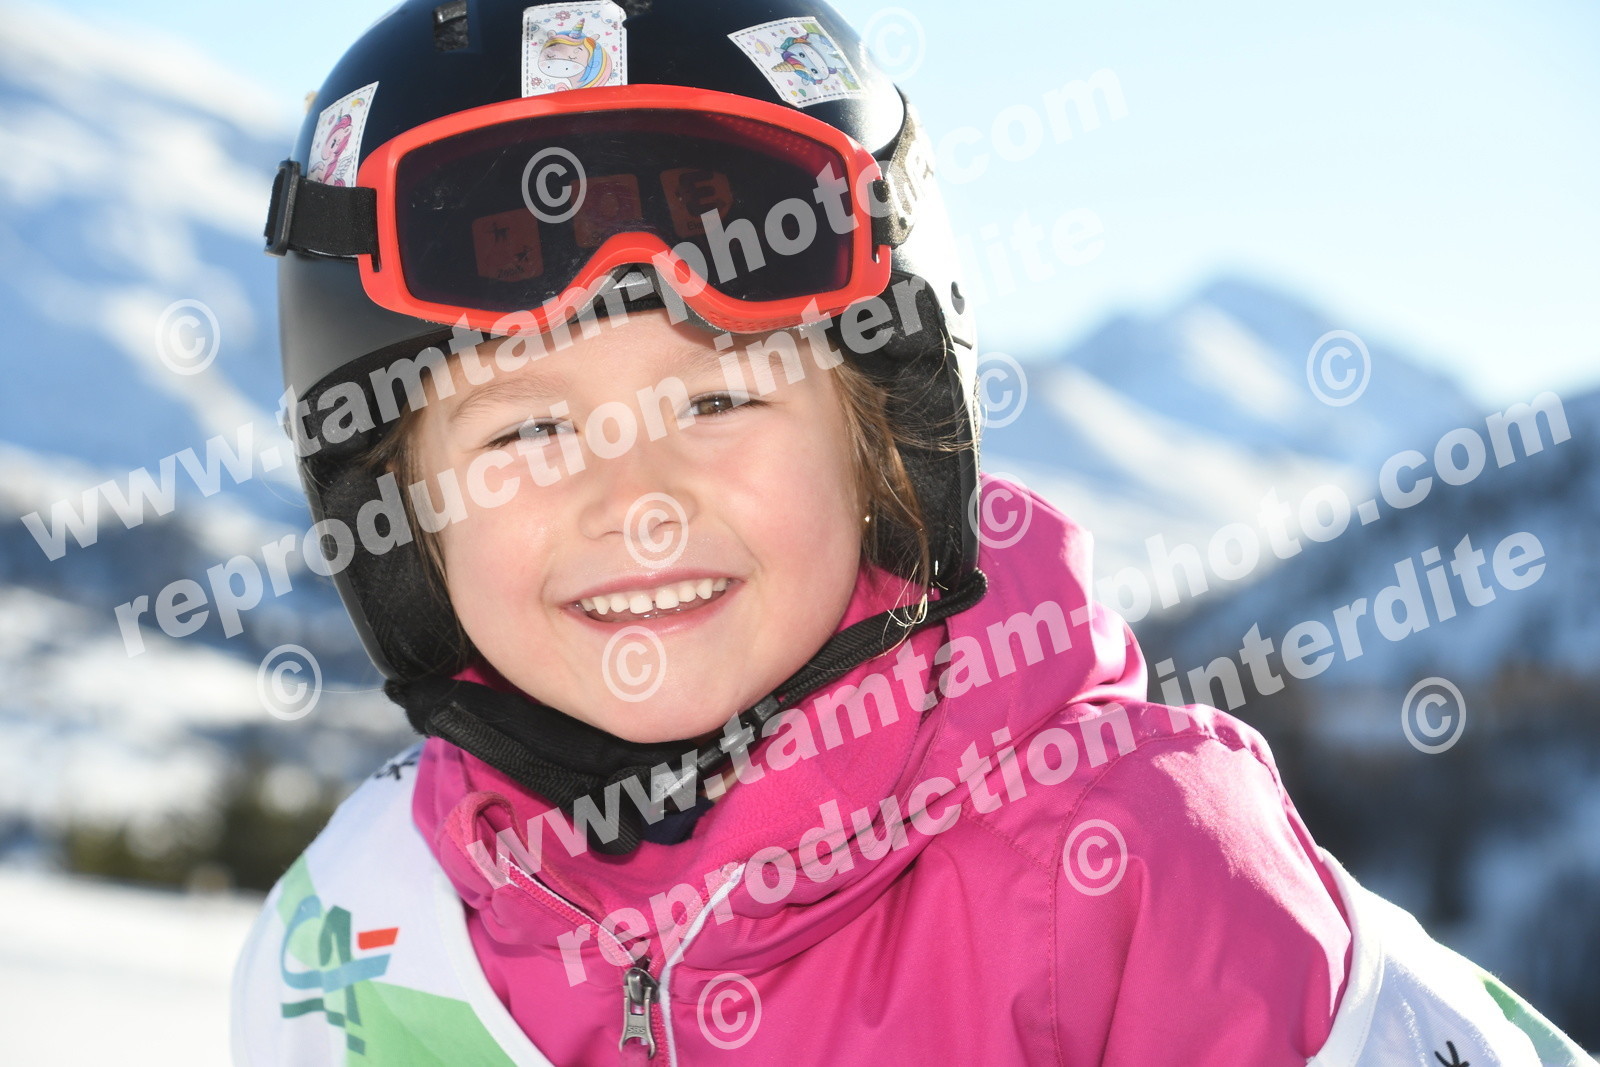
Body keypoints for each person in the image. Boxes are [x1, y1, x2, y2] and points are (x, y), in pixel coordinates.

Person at [231, 1, 1590, 1063]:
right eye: (527, 431)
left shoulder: (1141, 878)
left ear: (882, 447)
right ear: (401, 521)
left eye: (719, 398)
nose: (635, 498)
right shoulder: (354, 941)